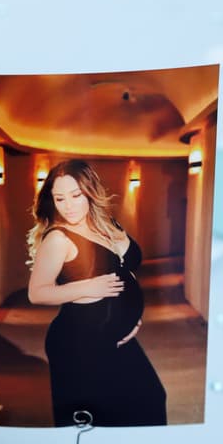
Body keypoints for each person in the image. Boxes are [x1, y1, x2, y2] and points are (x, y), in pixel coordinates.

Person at [27, 159, 167, 427]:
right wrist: (87, 287)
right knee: (95, 420)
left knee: (151, 399)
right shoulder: (58, 238)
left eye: (76, 195)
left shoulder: (107, 223)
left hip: (113, 337)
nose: (68, 206)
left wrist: (131, 316)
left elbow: (126, 269)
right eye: (59, 199)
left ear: (91, 192)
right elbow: (37, 293)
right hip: (78, 342)